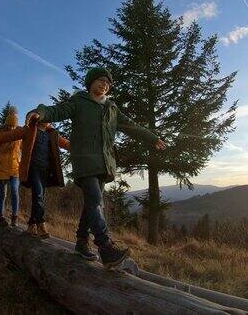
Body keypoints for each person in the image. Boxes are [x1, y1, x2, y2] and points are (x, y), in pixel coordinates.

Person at [28, 67, 166, 267]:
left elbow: (131, 126)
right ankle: (105, 247)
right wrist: (39, 113)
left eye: (108, 83)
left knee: (91, 203)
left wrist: (152, 138)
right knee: (95, 200)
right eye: (100, 80)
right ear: (91, 83)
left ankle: (82, 243)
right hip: (84, 161)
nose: (104, 84)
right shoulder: (79, 102)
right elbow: (56, 110)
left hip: (104, 163)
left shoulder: (111, 108)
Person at [0, 114, 70, 238]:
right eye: (45, 117)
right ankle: (41, 224)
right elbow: (10, 135)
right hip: (33, 168)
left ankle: (31, 225)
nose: (48, 120)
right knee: (38, 194)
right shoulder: (29, 130)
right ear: (39, 119)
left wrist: (82, 147)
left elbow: (66, 143)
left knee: (40, 197)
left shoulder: (52, 134)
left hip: (46, 170)